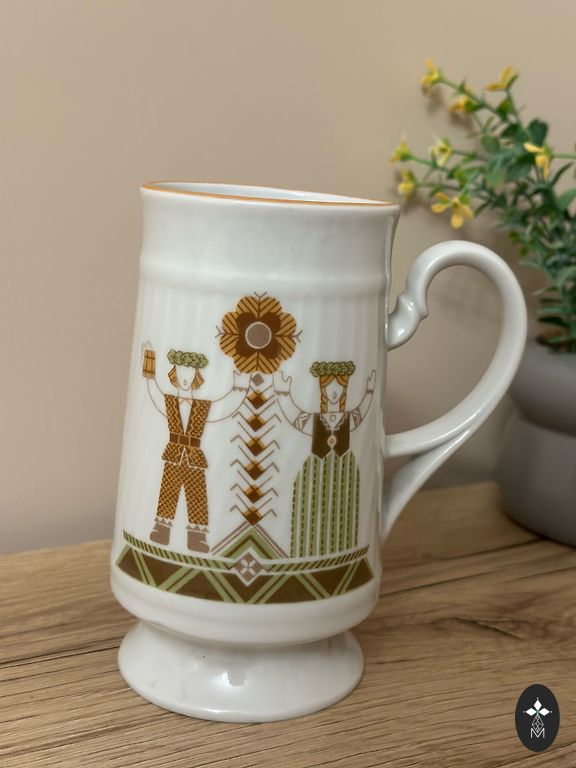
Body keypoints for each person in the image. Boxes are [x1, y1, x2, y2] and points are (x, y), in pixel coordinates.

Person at [142, 343, 248, 552]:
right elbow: (153, 392)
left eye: (190, 373)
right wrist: (149, 363)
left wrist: (240, 387)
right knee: (168, 491)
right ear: (174, 373)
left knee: (197, 495)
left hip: (194, 457)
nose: (185, 378)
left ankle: (197, 538)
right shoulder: (169, 402)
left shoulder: (202, 407)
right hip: (173, 455)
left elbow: (225, 407)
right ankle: (161, 530)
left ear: (196, 376)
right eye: (181, 372)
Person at [275, 361, 375, 557]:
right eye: (330, 387)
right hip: (315, 471)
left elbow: (362, 412)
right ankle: (308, 551)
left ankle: (342, 550)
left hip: (344, 470)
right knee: (312, 508)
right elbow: (295, 418)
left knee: (342, 508)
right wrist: (283, 394)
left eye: (340, 387)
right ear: (322, 389)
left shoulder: (347, 418)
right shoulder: (316, 420)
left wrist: (370, 392)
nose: (334, 392)